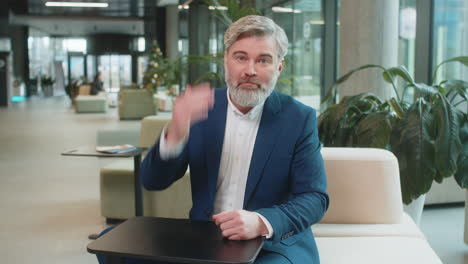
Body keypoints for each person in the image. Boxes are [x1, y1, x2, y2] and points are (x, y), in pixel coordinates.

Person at [98, 15, 329, 264]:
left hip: (271, 243)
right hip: (205, 239)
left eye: (263, 60)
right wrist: (175, 133)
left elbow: (314, 198)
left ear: (279, 67)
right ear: (226, 60)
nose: (250, 70)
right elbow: (152, 180)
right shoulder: (201, 107)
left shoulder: (298, 118)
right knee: (110, 245)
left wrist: (261, 221)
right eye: (241, 57)